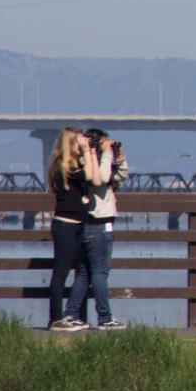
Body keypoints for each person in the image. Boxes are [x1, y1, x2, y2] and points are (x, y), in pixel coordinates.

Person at [63, 128, 128, 330]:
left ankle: (71, 314)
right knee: (100, 272)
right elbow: (101, 177)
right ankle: (105, 318)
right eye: (105, 144)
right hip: (99, 223)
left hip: (88, 224)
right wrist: (106, 154)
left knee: (84, 273)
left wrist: (117, 154)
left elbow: (121, 175)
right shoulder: (90, 164)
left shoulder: (88, 161)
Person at [47, 127, 101, 331]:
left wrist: (93, 151)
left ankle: (73, 314)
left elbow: (95, 180)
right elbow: (88, 175)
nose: (84, 142)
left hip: (79, 223)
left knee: (82, 270)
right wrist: (88, 151)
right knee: (61, 272)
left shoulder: (76, 165)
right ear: (71, 142)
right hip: (65, 225)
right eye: (80, 139)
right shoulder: (63, 166)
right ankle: (55, 318)